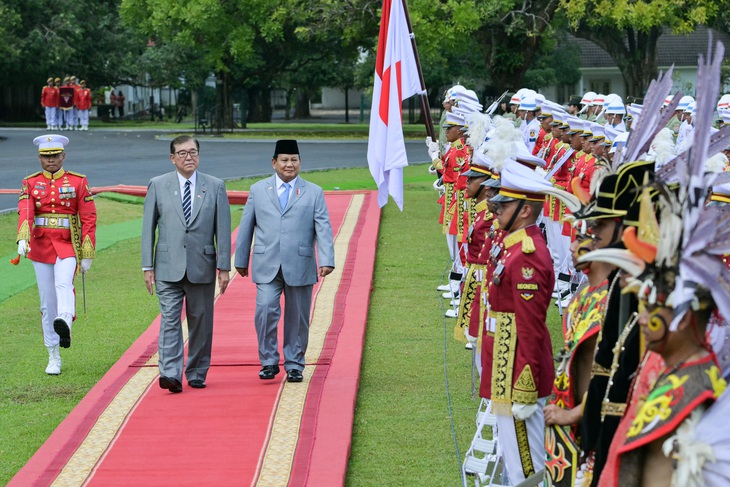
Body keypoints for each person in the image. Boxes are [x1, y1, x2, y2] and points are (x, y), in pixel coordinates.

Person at [479, 161, 555, 485]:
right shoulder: (514, 247)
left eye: (504, 204)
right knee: (513, 458)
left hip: (517, 371)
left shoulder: (527, 255)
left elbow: (530, 327)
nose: (495, 209)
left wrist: (525, 388)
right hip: (504, 362)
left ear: (525, 210)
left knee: (527, 465)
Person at [234, 139, 334, 383]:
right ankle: (268, 361)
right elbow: (246, 225)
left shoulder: (313, 192)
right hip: (266, 262)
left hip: (300, 262)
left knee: (298, 317)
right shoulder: (258, 190)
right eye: (285, 160)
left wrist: (327, 259)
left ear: (300, 162)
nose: (290, 165)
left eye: (294, 160)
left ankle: (295, 364)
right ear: (274, 163)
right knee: (266, 310)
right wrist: (240, 258)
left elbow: (323, 227)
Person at [141, 135, 231, 393]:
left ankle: (197, 371)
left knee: (200, 321)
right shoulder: (158, 185)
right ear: (172, 158)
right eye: (182, 153)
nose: (188, 157)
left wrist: (224, 267)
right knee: (169, 319)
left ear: (199, 156)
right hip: (167, 266)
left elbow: (222, 230)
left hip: (202, 265)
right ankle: (170, 373)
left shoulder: (215, 186)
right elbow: (148, 228)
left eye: (193, 152)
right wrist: (147, 266)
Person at [16, 135, 97, 374]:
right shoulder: (30, 182)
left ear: (63, 156)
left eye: (55, 156)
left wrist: (87, 250)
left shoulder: (78, 181)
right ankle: (53, 355)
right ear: (39, 158)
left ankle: (64, 321)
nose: (51, 161)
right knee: (46, 302)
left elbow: (89, 217)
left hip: (67, 243)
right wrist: (23, 236)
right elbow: (25, 210)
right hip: (41, 246)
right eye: (46, 156)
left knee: (63, 284)